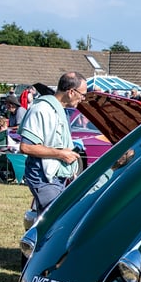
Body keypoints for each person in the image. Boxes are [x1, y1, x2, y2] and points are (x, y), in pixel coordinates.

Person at [18, 72, 84, 214]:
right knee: (55, 220)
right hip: (44, 177)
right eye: (82, 94)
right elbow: (26, 147)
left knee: (56, 220)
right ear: (71, 92)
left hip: (57, 178)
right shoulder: (42, 109)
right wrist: (61, 154)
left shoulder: (60, 111)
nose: (83, 99)